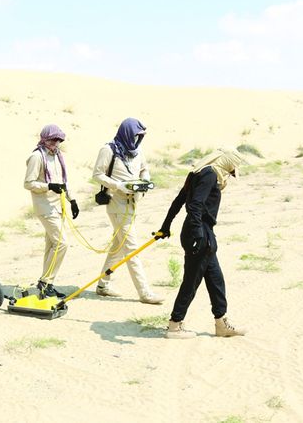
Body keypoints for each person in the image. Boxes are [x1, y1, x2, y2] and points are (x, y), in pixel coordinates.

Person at [158, 148, 247, 338]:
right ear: (225, 163)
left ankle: (221, 324)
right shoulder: (209, 174)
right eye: (231, 171)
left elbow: (178, 201)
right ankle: (174, 326)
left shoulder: (198, 172)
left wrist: (165, 226)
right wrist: (198, 235)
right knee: (191, 282)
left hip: (201, 232)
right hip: (199, 233)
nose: (230, 176)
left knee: (216, 280)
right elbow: (194, 205)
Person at [92, 118, 164, 305]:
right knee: (132, 249)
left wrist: (145, 181)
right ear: (127, 133)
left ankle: (102, 285)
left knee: (117, 247)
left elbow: (144, 169)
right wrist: (119, 185)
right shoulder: (108, 150)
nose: (138, 139)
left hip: (133, 204)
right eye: (135, 135)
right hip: (117, 204)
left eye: (140, 136)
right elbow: (97, 174)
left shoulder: (137, 151)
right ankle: (144, 292)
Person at [24, 124, 79, 298]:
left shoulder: (58, 156)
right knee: (62, 243)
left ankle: (46, 284)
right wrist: (48, 186)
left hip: (59, 205)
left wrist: (73, 200)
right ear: (45, 139)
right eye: (54, 140)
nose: (57, 143)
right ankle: (46, 281)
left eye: (59, 140)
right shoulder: (36, 157)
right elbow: (28, 183)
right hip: (45, 207)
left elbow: (64, 181)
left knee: (51, 246)